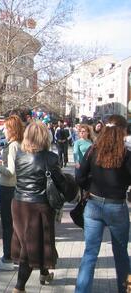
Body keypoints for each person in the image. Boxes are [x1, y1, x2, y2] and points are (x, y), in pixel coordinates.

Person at [12, 122, 72, 292]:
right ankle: (19, 287)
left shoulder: (19, 155)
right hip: (38, 206)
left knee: (30, 240)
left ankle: (44, 273)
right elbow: (61, 183)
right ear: (45, 136)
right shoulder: (51, 158)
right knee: (32, 246)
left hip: (19, 203)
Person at [75, 115, 131, 293]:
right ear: (122, 132)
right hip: (117, 205)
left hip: (94, 204)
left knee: (90, 253)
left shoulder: (94, 150)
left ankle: (82, 291)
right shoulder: (126, 154)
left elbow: (79, 177)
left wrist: (89, 187)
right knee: (121, 253)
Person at [0, 115, 23, 271]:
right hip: (16, 187)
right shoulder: (19, 144)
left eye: (6, 128)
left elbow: (10, 171)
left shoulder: (13, 146)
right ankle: (14, 255)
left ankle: (7, 257)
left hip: (9, 187)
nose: (3, 130)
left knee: (7, 224)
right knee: (15, 224)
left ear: (12, 129)